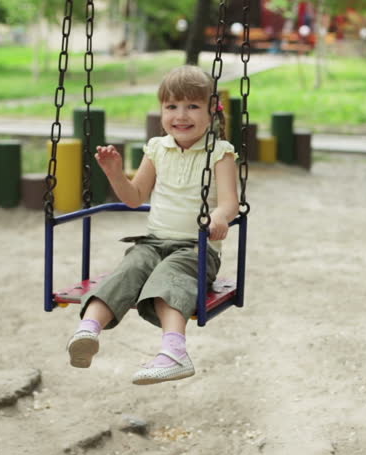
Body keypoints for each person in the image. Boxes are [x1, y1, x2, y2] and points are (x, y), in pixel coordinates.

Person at [65, 65, 239, 386]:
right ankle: (87, 332)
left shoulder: (220, 153)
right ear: (161, 110)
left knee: (168, 279)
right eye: (171, 106)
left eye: (192, 106)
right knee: (128, 270)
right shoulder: (157, 148)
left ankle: (175, 353)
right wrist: (115, 173)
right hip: (153, 242)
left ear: (212, 111)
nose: (180, 115)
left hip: (197, 249)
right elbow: (134, 197)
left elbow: (230, 201)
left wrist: (219, 217)